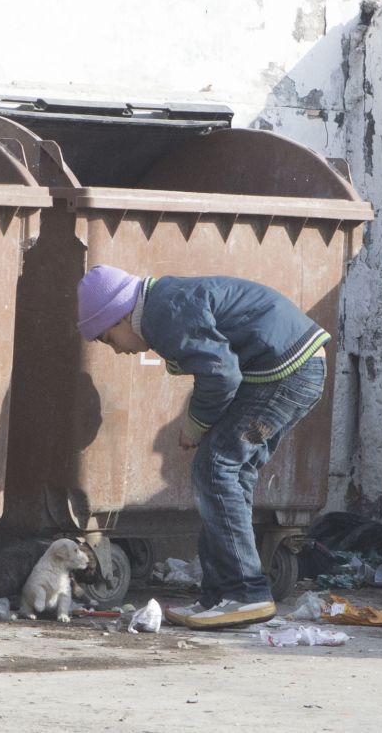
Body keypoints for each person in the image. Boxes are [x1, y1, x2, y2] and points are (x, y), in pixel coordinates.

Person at [76, 264, 328, 630]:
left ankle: (246, 593)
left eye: (107, 338)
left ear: (121, 317)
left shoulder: (163, 312)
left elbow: (220, 373)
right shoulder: (164, 302)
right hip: (291, 368)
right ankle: (220, 596)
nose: (115, 350)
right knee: (227, 473)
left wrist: (196, 423)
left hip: (288, 371)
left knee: (216, 468)